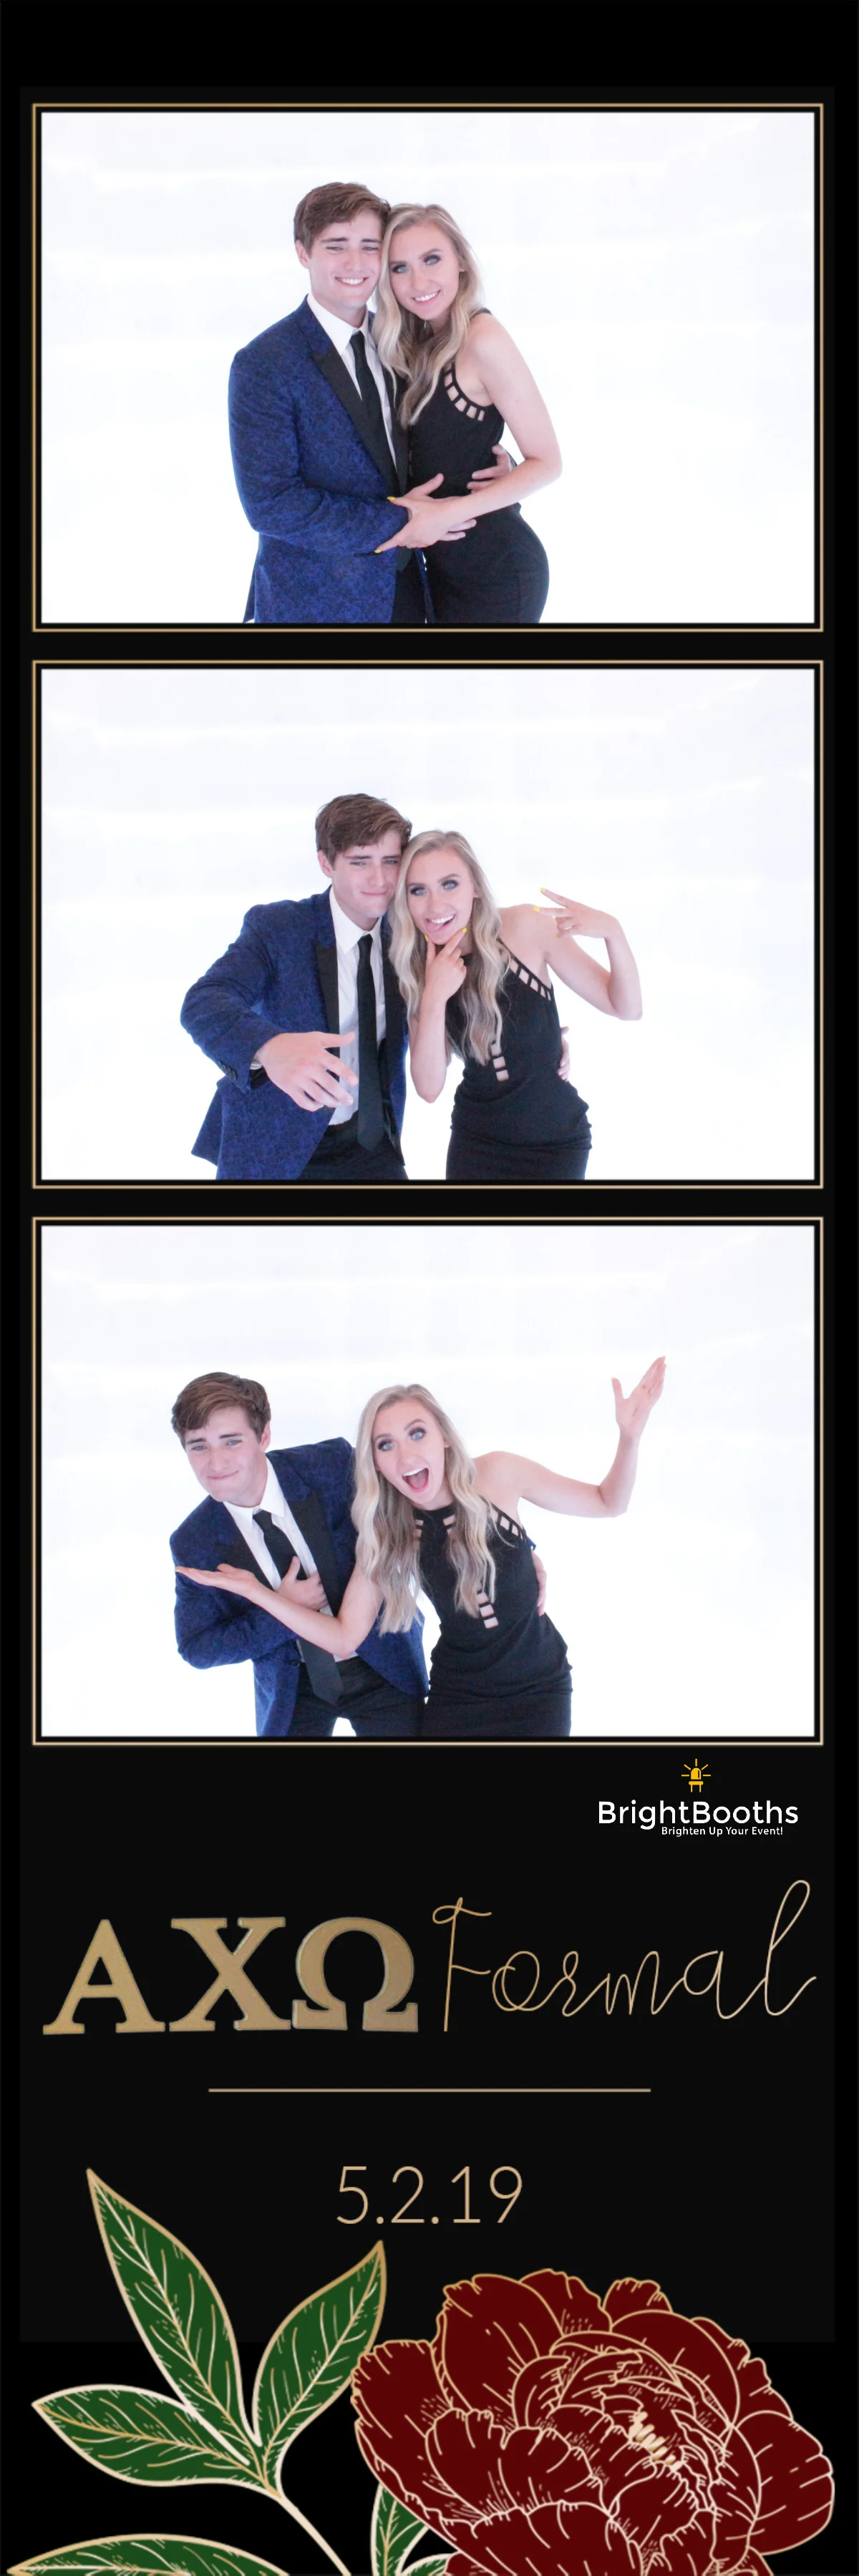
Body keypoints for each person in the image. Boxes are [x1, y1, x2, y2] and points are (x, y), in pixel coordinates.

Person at [178, 1364, 666, 1740]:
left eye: (417, 1433)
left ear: (444, 1437)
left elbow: (609, 1502)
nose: (407, 1455)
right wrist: (260, 1595)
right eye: (385, 1445)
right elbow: (344, 1636)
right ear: (374, 1463)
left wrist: (629, 1438)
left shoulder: (500, 1473)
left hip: (539, 1687)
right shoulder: (390, 1533)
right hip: (459, 1695)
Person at [228, 181, 488, 628]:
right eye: (336, 246)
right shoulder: (264, 364)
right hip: (315, 602)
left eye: (370, 247)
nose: (355, 263)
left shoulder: (400, 342)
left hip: (411, 593)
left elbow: (428, 441)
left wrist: (488, 465)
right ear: (303, 253)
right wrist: (401, 520)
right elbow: (272, 505)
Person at [169, 1370, 428, 1737]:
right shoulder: (193, 1541)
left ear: (264, 1436)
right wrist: (281, 1611)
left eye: (232, 1441)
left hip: (383, 1662)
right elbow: (197, 1647)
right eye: (198, 1446)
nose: (216, 1463)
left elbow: (410, 1497)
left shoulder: (331, 1465)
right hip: (294, 1686)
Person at [180, 793, 414, 1184]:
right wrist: (269, 1047)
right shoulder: (279, 928)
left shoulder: (407, 934)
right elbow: (204, 1002)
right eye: (360, 862)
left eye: (391, 861)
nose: (380, 879)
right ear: (326, 863)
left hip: (370, 1142)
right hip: (275, 1145)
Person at [389, 831, 642, 1184]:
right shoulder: (414, 965)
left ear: (476, 887)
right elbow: (429, 1089)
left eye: (449, 884)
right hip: (476, 1145)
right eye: (418, 890)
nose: (435, 906)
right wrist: (433, 998)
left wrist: (613, 932)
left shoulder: (526, 925)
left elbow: (626, 1007)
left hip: (555, 1145)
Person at [372, 203, 561, 625]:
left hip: (497, 574)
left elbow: (549, 463)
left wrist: (445, 513)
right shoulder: (416, 341)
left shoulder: (483, 339)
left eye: (432, 259)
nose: (419, 281)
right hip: (442, 573)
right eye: (400, 268)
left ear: (460, 260)